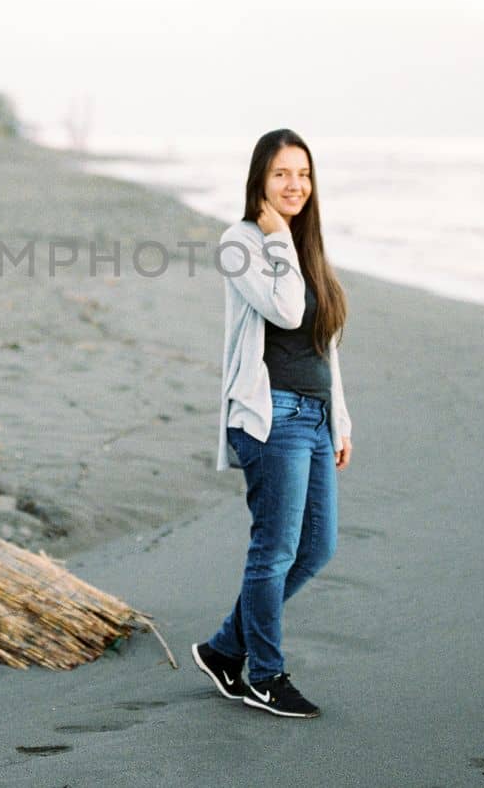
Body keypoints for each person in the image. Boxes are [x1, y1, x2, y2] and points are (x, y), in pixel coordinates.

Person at [192, 128, 353, 719]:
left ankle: (223, 648)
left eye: (304, 174)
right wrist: (278, 239)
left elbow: (325, 342)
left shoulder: (306, 245)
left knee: (317, 547)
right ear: (260, 179)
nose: (295, 185)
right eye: (282, 173)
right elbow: (283, 310)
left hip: (313, 416)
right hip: (270, 417)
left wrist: (342, 421)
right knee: (275, 549)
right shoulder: (238, 243)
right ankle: (265, 674)